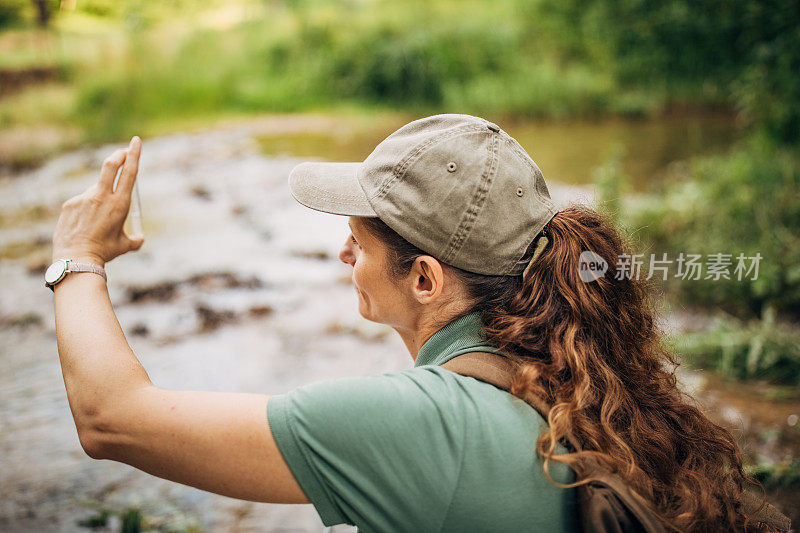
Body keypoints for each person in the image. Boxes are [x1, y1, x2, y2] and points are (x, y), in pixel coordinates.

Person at [49, 114, 772, 532]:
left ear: (425, 278)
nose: (342, 255)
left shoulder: (413, 425)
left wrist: (77, 255)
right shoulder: (585, 382)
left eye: (357, 244)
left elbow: (112, 419)